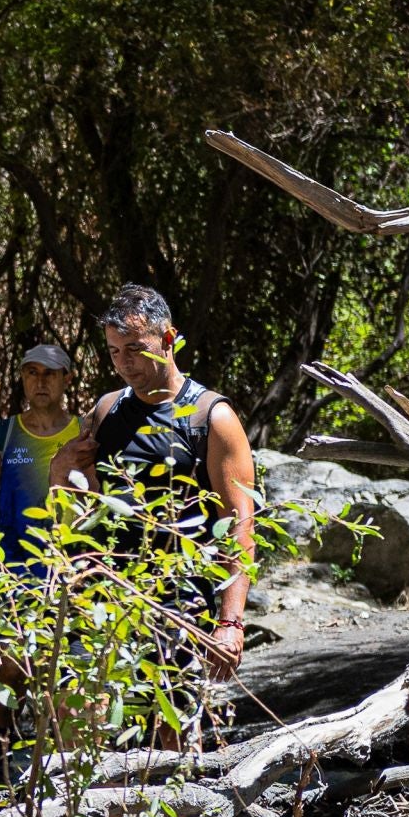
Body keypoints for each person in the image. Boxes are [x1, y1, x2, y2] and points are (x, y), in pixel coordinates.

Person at [48, 284, 256, 682]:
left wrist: (231, 622)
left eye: (135, 349)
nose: (124, 363)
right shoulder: (106, 411)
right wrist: (59, 471)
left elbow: (240, 524)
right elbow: (76, 513)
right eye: (114, 351)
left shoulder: (211, 418)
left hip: (180, 602)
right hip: (104, 599)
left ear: (168, 339)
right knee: (81, 712)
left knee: (171, 716)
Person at [0, 343, 82, 571]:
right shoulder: (4, 434)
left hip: (66, 565)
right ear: (23, 378)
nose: (40, 382)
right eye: (33, 373)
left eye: (50, 373)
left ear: (67, 379)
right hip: (11, 569)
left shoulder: (82, 431)